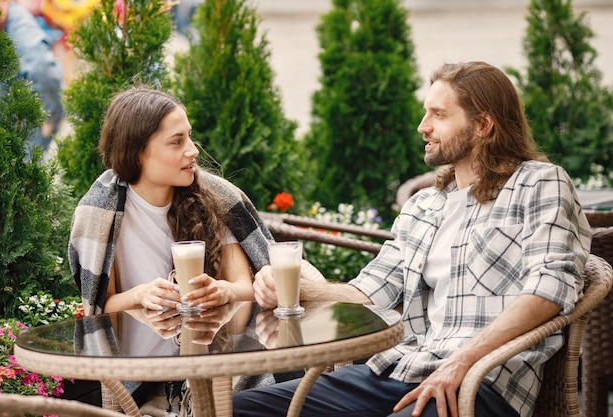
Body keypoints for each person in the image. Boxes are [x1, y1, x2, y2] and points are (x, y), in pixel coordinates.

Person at [234, 61, 593, 417]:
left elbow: (549, 289)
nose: (423, 127)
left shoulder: (540, 184)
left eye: (438, 114)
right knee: (233, 408)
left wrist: (462, 362)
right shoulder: (425, 204)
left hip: (480, 382)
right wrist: (305, 288)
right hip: (401, 368)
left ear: (482, 124)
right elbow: (370, 292)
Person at [68, 87, 315, 413]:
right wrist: (141, 295)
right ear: (137, 152)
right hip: (143, 381)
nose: (193, 150)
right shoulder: (101, 215)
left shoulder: (212, 197)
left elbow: (243, 286)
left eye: (190, 137)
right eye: (177, 141)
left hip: (214, 365)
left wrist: (221, 290)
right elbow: (101, 306)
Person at [0, 0, 65, 158]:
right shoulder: (13, 20)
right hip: (17, 131)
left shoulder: (14, 22)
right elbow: (44, 69)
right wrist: (51, 114)